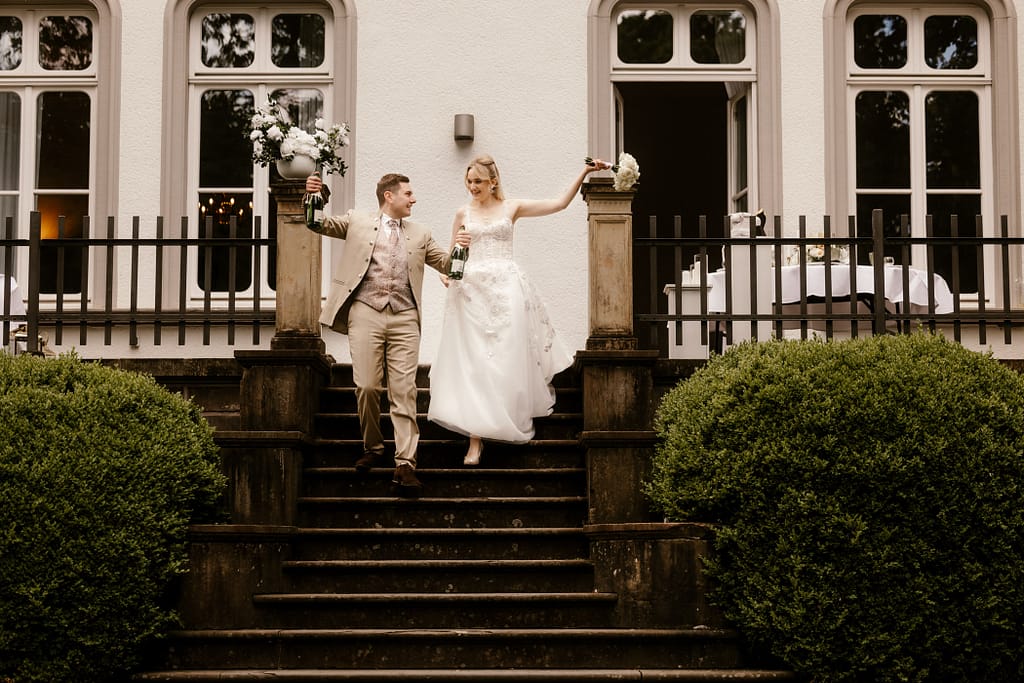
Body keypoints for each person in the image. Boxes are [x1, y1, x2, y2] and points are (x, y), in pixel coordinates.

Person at [427, 155, 610, 466]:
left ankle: (503, 415)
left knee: (505, 355)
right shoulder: (462, 213)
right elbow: (450, 264)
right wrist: (452, 266)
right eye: (469, 182)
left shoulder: (512, 208)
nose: (473, 187)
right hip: (471, 292)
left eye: (478, 182)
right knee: (474, 363)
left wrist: (584, 172)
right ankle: (474, 439)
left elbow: (559, 204)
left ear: (493, 182)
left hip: (505, 286)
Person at [304, 171, 470, 497]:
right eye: (408, 193)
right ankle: (373, 446)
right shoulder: (356, 221)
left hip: (405, 317)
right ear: (389, 196)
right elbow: (315, 224)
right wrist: (313, 196)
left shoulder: (421, 234)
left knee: (404, 390)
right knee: (366, 386)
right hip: (365, 312)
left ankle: (405, 463)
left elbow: (451, 268)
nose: (414, 199)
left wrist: (462, 249)